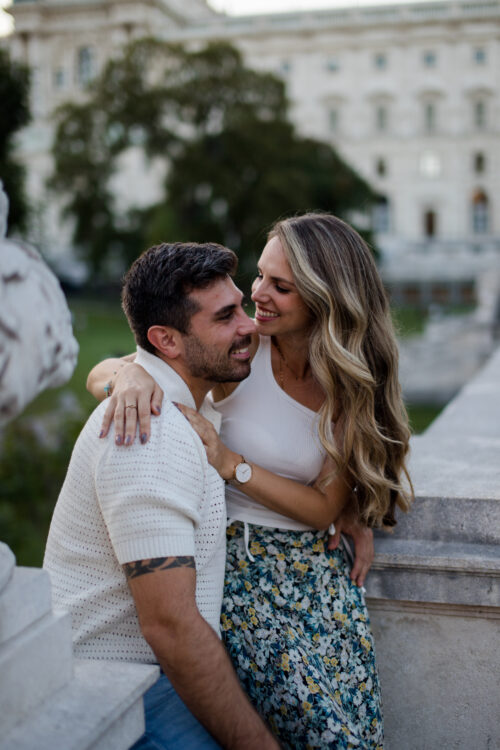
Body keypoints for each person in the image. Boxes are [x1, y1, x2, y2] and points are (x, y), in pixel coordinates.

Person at [88, 213, 413, 749]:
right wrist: (127, 375)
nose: (257, 294)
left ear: (323, 299)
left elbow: (321, 508)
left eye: (279, 286)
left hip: (317, 576)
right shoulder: (241, 347)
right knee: (322, 734)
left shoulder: (348, 384)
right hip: (239, 571)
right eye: (260, 275)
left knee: (357, 731)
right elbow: (106, 369)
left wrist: (230, 462)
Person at [43, 241, 280, 750]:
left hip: (153, 676)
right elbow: (170, 627)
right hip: (128, 690)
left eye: (241, 305)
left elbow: (117, 366)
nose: (249, 325)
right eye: (225, 317)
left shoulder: (178, 393)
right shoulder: (149, 436)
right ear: (165, 340)